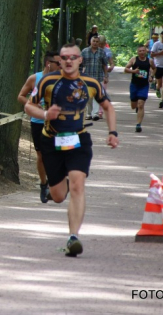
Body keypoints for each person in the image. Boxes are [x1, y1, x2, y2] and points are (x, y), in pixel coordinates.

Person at [25, 43, 119, 257]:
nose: (68, 61)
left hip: (78, 140)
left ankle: (73, 237)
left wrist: (113, 132)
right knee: (58, 196)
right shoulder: (47, 81)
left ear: (80, 60)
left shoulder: (91, 83)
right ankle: (62, 183)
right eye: (64, 58)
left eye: (73, 57)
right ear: (59, 61)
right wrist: (45, 114)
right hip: (51, 141)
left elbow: (107, 107)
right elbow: (29, 105)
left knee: (78, 185)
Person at [17, 51, 61, 203]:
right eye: (58, 63)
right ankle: (44, 184)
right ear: (49, 64)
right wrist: (34, 107)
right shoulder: (34, 78)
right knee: (41, 155)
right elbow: (21, 96)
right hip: (38, 123)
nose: (61, 66)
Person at [124, 45, 156, 132]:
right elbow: (126, 69)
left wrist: (151, 76)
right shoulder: (134, 59)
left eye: (143, 51)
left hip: (144, 86)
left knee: (141, 104)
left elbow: (154, 68)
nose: (142, 52)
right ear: (137, 52)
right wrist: (133, 71)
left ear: (146, 51)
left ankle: (138, 124)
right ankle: (137, 107)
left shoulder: (149, 61)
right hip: (134, 85)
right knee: (133, 106)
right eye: (140, 51)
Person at [80, 36, 109, 121]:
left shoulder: (101, 52)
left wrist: (106, 76)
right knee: (88, 96)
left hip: (98, 77)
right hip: (87, 77)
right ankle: (89, 113)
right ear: (90, 41)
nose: (95, 43)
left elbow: (104, 65)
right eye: (94, 41)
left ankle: (95, 114)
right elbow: (80, 64)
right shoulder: (84, 51)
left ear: (99, 43)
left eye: (97, 41)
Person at [97, 35, 114, 118]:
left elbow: (111, 63)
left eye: (102, 44)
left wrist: (111, 67)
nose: (100, 45)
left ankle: (100, 111)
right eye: (99, 43)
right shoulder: (94, 50)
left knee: (101, 93)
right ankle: (94, 111)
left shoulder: (107, 51)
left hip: (103, 74)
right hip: (94, 73)